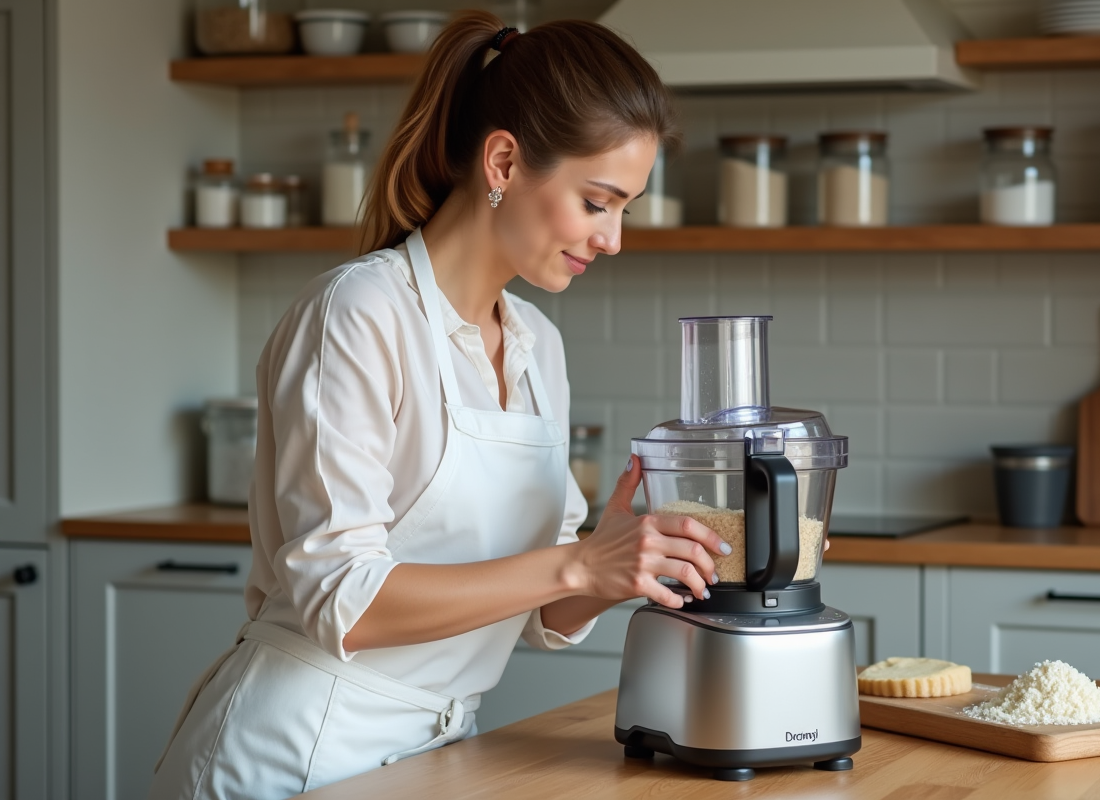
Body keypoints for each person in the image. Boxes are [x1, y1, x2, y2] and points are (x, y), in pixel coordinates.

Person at [149, 11, 731, 799]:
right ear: (502, 161)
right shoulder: (359, 313)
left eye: (624, 207)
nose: (614, 238)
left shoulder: (537, 347)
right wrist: (577, 559)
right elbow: (341, 601)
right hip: (293, 756)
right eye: (598, 202)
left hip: (438, 757)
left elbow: (537, 609)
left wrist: (609, 565)